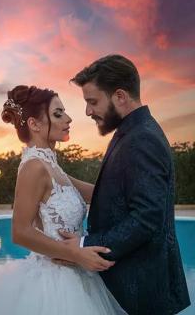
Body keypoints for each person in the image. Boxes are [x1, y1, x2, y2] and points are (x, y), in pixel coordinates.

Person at [0, 85, 126, 314]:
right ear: (34, 124)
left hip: (78, 274)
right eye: (58, 114)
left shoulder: (52, 166)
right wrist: (75, 253)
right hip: (55, 284)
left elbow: (100, 194)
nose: (68, 118)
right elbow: (20, 231)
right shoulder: (34, 167)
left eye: (64, 112)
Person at [59, 54, 191, 314]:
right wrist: (56, 175)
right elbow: (117, 196)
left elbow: (146, 219)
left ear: (120, 96)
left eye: (93, 101)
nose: (87, 111)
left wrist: (85, 245)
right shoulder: (133, 131)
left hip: (142, 293)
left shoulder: (142, 139)